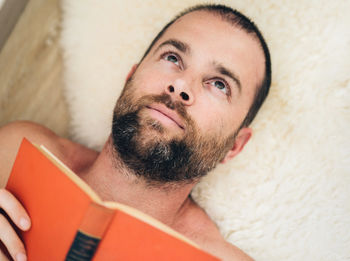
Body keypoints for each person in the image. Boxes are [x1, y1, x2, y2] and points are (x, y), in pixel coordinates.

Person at [0, 4, 271, 261]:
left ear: (234, 146)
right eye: (173, 58)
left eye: (220, 85)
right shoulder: (17, 153)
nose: (180, 85)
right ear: (131, 77)